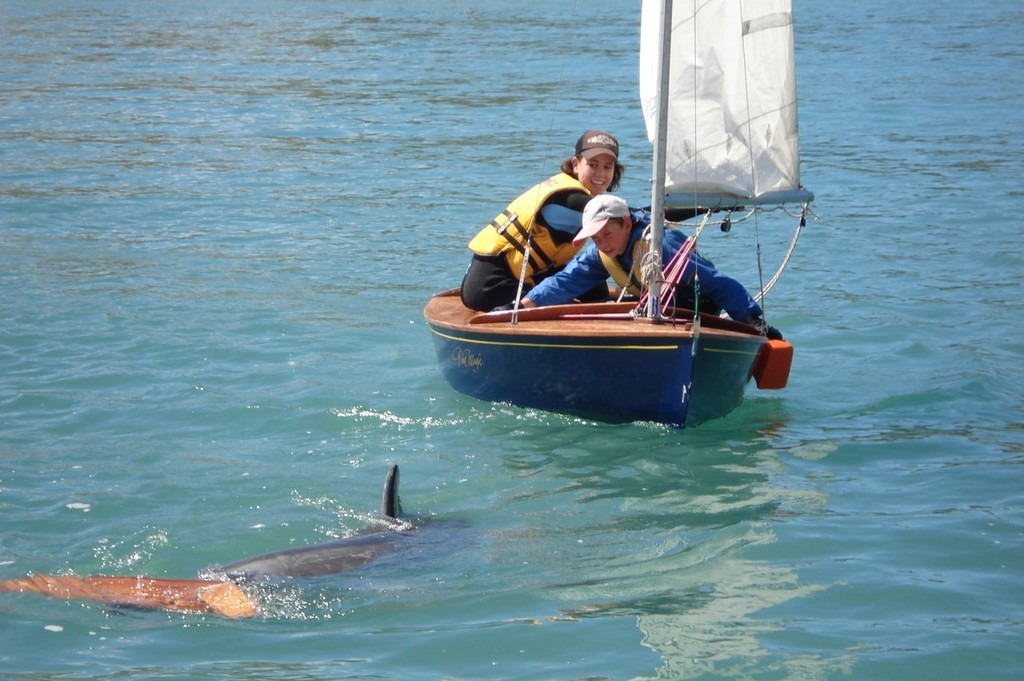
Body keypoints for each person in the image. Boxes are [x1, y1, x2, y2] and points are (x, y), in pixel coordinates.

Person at [517, 194, 783, 339]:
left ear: (627, 224)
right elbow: (565, 281)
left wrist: (752, 321)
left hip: (693, 309)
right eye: (595, 238)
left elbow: (716, 282)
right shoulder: (602, 252)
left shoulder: (660, 246)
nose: (602, 244)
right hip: (652, 309)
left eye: (607, 234)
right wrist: (525, 304)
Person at [459, 130, 624, 312]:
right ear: (576, 164)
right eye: (593, 165)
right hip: (491, 287)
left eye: (608, 167)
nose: (600, 173)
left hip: (516, 276)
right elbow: (624, 221)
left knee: (593, 284)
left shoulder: (567, 188)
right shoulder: (573, 201)